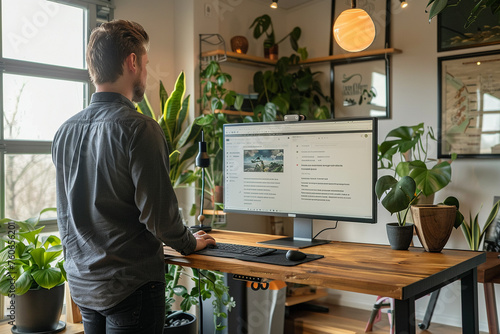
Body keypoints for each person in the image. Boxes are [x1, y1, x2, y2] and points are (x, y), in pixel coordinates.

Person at [51, 20, 215, 334]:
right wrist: (189, 242)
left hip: (84, 286)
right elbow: (160, 218)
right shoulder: (140, 128)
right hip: (131, 288)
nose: (145, 74)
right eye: (146, 64)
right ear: (132, 62)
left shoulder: (64, 131)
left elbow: (66, 213)